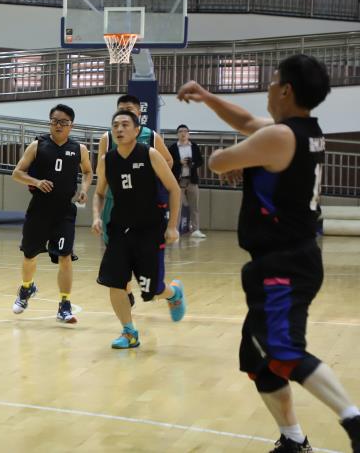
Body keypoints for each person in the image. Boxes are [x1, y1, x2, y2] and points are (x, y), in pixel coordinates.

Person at [177, 54, 360, 453]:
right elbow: (246, 123)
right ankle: (294, 440)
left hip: (286, 263)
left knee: (282, 350)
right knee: (258, 360)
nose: (268, 88)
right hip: (282, 260)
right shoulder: (302, 131)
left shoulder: (279, 137)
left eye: (273, 81)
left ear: (286, 90)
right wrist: (208, 97)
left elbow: (218, 160)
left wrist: (240, 158)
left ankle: (354, 420)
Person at [92, 110, 185, 349]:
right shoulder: (107, 160)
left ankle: (173, 293)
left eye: (125, 125)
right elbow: (99, 193)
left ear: (136, 130)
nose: (119, 129)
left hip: (149, 230)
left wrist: (172, 226)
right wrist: (96, 217)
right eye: (115, 125)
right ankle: (129, 332)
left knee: (151, 289)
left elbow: (174, 189)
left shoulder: (150, 154)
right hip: (119, 230)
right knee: (115, 282)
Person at [10, 104, 93, 324]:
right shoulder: (37, 145)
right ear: (50, 123)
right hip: (39, 209)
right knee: (30, 255)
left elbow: (88, 171)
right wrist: (36, 182)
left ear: (71, 125)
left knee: (65, 256)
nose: (59, 125)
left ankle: (64, 305)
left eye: (64, 122)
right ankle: (27, 288)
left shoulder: (79, 149)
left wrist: (84, 189)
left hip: (64, 211)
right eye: (55, 121)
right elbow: (17, 173)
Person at [96, 94, 174, 305]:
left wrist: (147, 178)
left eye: (129, 110)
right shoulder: (107, 138)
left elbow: (168, 161)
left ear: (139, 113)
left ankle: (164, 291)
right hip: (115, 203)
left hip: (143, 209)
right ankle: (125, 292)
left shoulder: (151, 137)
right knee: (116, 256)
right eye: (120, 109)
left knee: (150, 283)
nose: (124, 113)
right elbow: (101, 173)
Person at [167, 125, 206, 238]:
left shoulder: (194, 146)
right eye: (180, 131)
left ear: (188, 134)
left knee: (194, 206)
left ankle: (196, 229)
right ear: (177, 134)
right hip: (178, 181)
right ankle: (175, 230)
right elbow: (169, 162)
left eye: (185, 131)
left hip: (192, 180)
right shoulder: (173, 147)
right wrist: (179, 162)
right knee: (176, 206)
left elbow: (200, 161)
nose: (183, 133)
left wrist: (192, 163)